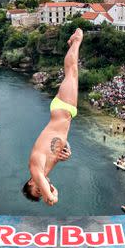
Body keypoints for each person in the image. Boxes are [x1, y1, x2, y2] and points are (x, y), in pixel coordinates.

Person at [23, 28, 83, 205]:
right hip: (65, 113)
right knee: (72, 72)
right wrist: (66, 151)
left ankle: (76, 39)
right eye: (40, 193)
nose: (42, 191)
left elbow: (51, 201)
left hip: (61, 111)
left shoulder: (35, 169)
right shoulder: (45, 168)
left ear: (31, 182)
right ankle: (74, 43)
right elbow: (56, 141)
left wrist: (52, 194)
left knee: (71, 70)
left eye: (37, 190)